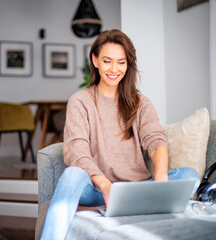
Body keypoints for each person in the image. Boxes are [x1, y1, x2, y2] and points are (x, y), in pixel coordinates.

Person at [40, 29, 200, 240]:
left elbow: (156, 140)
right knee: (72, 174)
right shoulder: (81, 101)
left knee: (190, 176)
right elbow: (76, 152)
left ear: (128, 64)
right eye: (107, 61)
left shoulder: (140, 103)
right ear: (95, 60)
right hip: (97, 189)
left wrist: (161, 177)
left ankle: (115, 207)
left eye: (121, 62)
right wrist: (106, 186)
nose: (114, 69)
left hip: (136, 188)